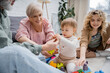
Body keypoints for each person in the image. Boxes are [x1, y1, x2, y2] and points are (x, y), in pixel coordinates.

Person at [0, 0, 64, 73]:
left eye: (40, 15)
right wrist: (42, 47)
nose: (38, 18)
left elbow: (50, 35)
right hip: (33, 50)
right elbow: (20, 38)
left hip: (38, 51)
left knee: (49, 55)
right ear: (29, 17)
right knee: (20, 52)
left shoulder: (4, 15)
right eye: (34, 16)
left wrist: (49, 46)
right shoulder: (24, 23)